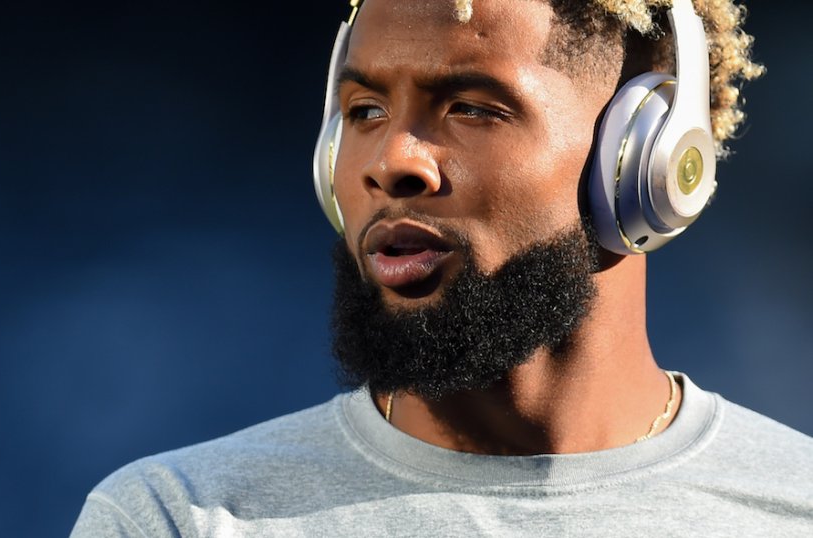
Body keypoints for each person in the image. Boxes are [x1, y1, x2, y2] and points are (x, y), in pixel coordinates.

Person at [71, 1, 812, 535]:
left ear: (644, 161)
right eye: (363, 111)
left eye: (471, 107)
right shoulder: (176, 516)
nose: (392, 162)